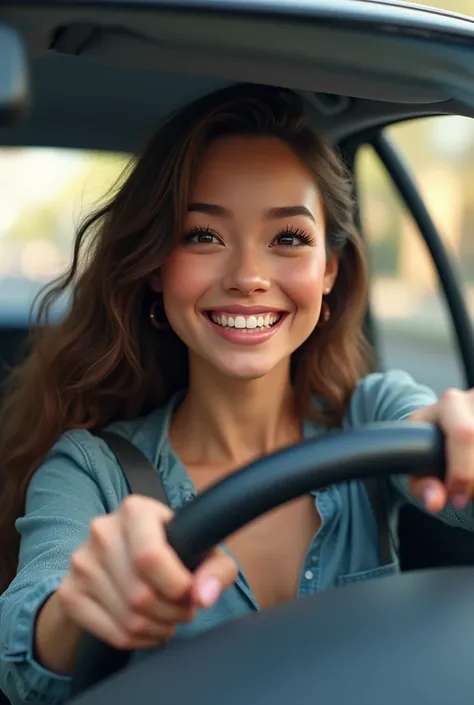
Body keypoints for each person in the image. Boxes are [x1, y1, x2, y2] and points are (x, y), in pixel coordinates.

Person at [0, 83, 474, 705]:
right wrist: (83, 608)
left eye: (289, 238)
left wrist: (459, 442)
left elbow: (448, 458)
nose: (248, 277)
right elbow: (23, 653)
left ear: (328, 272)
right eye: (202, 235)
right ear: (154, 266)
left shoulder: (375, 416)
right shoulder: (89, 471)